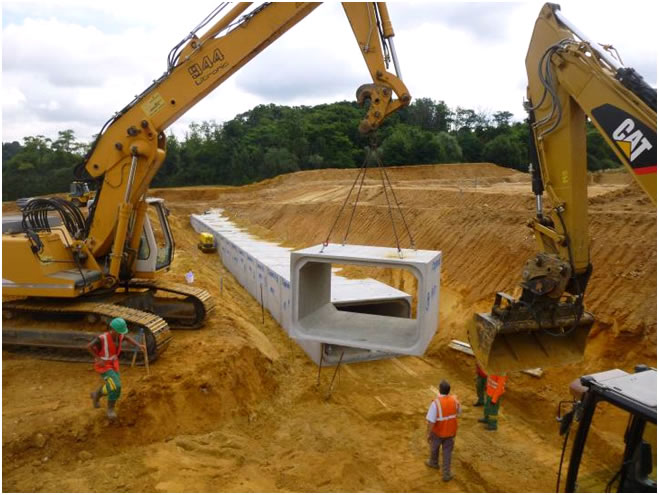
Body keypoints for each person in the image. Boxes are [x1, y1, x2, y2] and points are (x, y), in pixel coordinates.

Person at [86, 317, 145, 420]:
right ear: (113, 330)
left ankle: (96, 394)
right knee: (116, 386)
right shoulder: (102, 338)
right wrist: (98, 358)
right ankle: (110, 409)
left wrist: (138, 345)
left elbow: (126, 338)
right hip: (104, 366)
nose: (121, 334)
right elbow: (88, 346)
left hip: (113, 364)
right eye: (119, 332)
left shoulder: (119, 336)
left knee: (112, 385)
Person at [425, 379, 461, 482]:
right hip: (450, 432)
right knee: (447, 453)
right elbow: (459, 412)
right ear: (448, 391)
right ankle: (446, 474)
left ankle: (433, 462)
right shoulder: (455, 401)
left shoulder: (435, 403)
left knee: (434, 448)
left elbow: (431, 421)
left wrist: (429, 434)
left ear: (439, 390)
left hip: (438, 432)